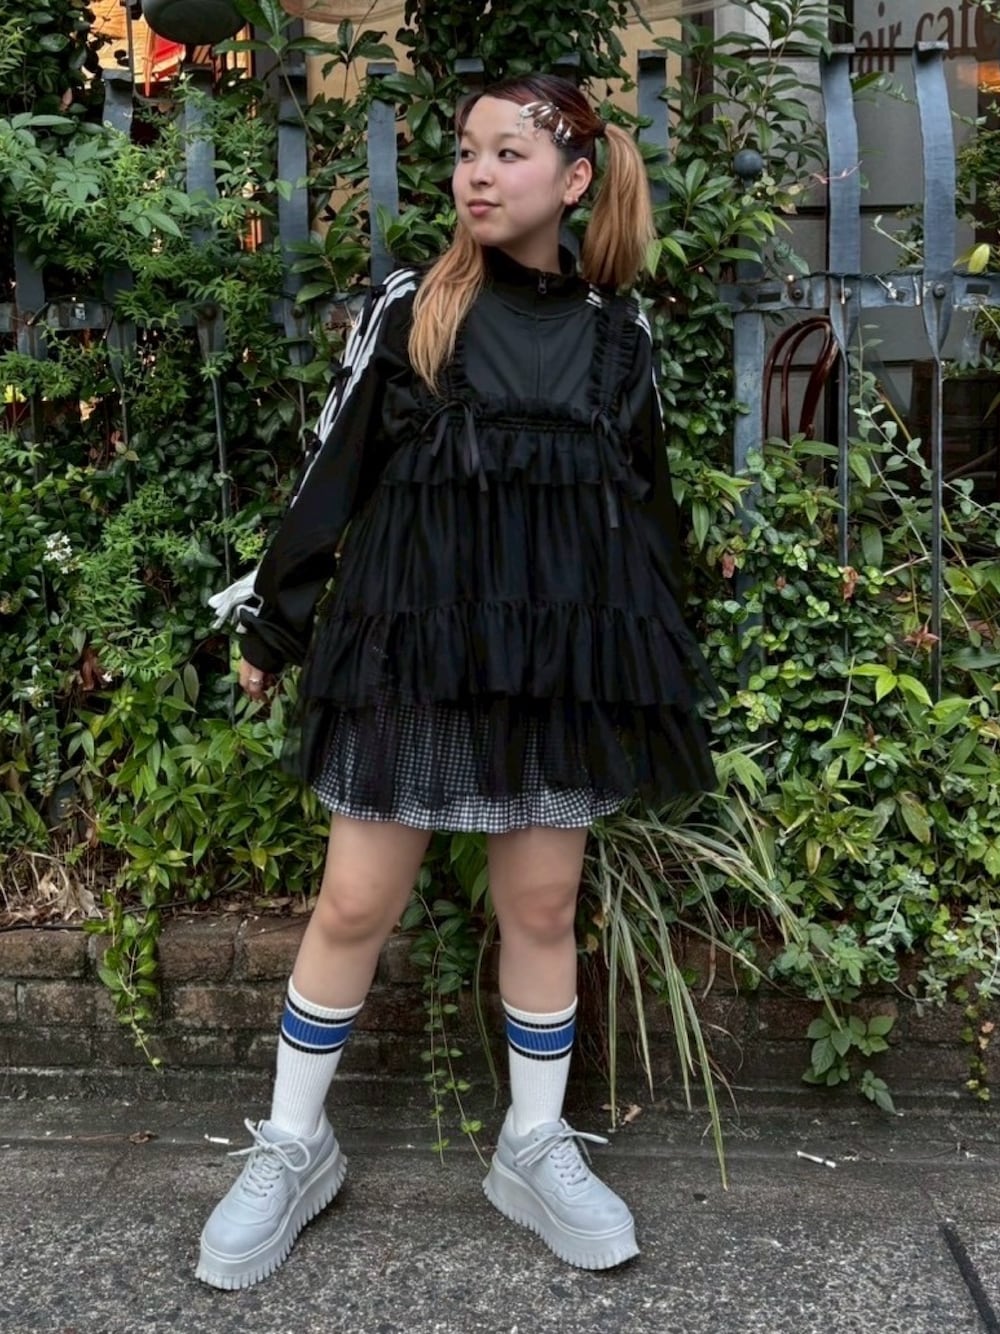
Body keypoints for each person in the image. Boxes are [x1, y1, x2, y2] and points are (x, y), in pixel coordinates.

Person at [198, 72, 715, 1290]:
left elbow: (646, 508)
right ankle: (293, 1143)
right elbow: (332, 472)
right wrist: (275, 621)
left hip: (557, 663)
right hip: (412, 649)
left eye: (506, 153)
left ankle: (532, 1144)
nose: (476, 173)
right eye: (466, 151)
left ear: (574, 180)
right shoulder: (412, 306)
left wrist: (655, 650)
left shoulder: (619, 336)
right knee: (352, 902)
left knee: (541, 907)